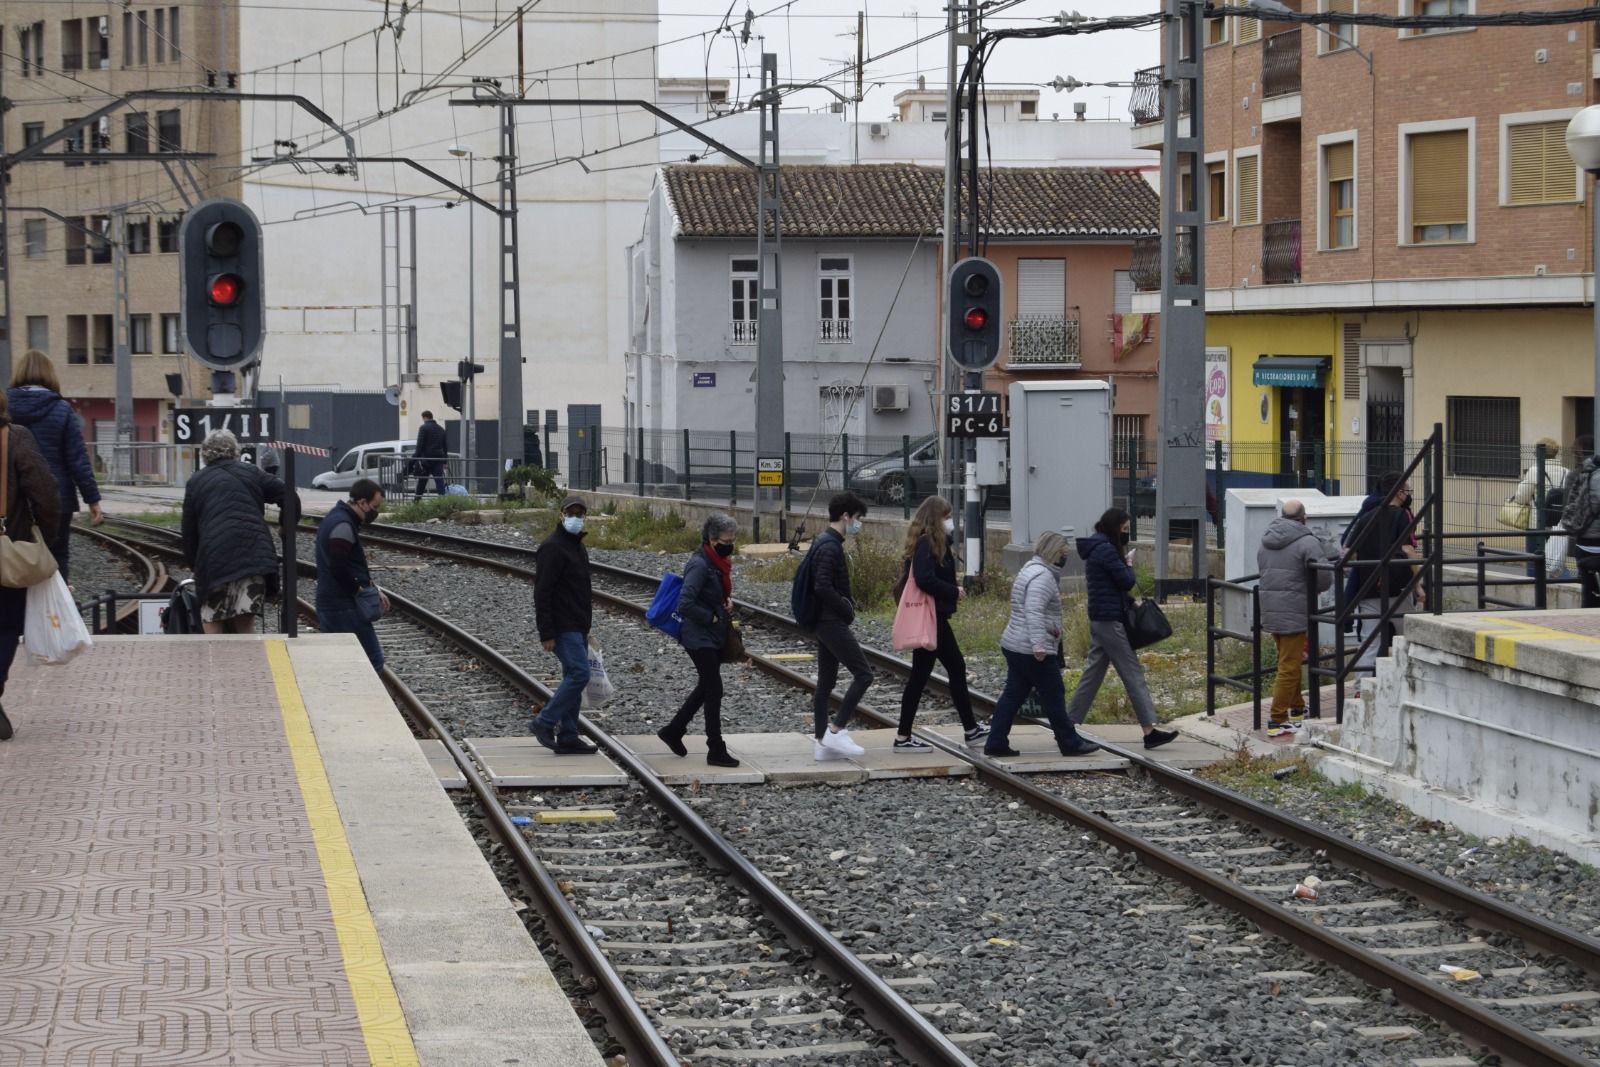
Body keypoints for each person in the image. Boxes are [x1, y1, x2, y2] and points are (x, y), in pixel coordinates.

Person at [1064, 508, 1179, 749]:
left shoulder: (1097, 548)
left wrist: (1129, 601)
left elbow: (1108, 587)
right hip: (1109, 621)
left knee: (1093, 675)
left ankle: (1068, 725)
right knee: (1132, 673)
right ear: (1114, 527)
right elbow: (1125, 580)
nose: (1126, 534)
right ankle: (1150, 731)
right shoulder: (1106, 550)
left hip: (1101, 618)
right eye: (1125, 529)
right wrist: (1128, 563)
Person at [984, 530, 1101, 759]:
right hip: (1031, 648)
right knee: (1054, 693)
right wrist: (1039, 644)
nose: (1064, 557)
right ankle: (1069, 742)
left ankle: (995, 741)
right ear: (1054, 552)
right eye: (1063, 553)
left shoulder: (1029, 569)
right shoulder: (1043, 578)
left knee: (1013, 694)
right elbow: (1034, 611)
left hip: (1015, 644)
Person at [895, 496, 986, 748]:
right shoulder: (926, 543)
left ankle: (969, 729)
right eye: (946, 517)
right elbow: (924, 579)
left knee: (939, 672)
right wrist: (953, 590)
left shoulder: (928, 542)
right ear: (937, 519)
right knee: (946, 670)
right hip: (931, 617)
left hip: (934, 617)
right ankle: (905, 737)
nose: (950, 522)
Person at [7, 350, 102, 582]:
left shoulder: (4, 407)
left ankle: (16, 611)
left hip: (11, 498)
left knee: (11, 554)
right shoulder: (61, 409)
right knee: (58, 555)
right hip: (58, 498)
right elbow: (77, 459)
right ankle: (55, 613)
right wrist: (92, 499)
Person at [180, 429, 286, 635]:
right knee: (245, 621)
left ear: (205, 454)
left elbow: (189, 532)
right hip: (252, 556)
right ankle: (247, 664)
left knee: (211, 618)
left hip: (214, 560)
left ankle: (215, 663)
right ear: (235, 451)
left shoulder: (196, 481)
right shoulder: (252, 472)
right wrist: (285, 527)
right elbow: (288, 493)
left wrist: (195, 564)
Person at [0, 392, 62, 741]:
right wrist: (45, 537)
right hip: (8, 552)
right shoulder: (14, 437)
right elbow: (45, 491)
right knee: (6, 626)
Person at [657, 513, 741, 768]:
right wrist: (712, 618)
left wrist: (725, 604)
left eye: (733, 539)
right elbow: (685, 603)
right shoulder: (700, 564)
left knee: (706, 686)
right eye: (727, 540)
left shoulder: (717, 562)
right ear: (712, 540)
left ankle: (673, 730)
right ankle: (715, 748)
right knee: (714, 689)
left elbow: (711, 595)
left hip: (710, 634)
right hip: (698, 635)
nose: (731, 545)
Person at [1256, 499, 1332, 738]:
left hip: (1270, 608)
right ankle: (1277, 719)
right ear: (1304, 518)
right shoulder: (1308, 542)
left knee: (1290, 659)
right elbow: (1323, 578)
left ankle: (1297, 709)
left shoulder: (1266, 539)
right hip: (1295, 609)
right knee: (1289, 666)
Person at [533, 496, 599, 755]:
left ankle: (569, 735)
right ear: (561, 515)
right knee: (579, 674)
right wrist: (546, 632)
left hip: (578, 624)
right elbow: (542, 592)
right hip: (563, 625)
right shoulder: (553, 547)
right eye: (571, 513)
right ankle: (544, 721)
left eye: (580, 514)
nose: (576, 518)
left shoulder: (577, 546)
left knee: (573, 676)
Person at [810, 491, 874, 761]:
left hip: (823, 620)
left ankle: (822, 743)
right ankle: (836, 731)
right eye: (857, 518)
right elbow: (822, 585)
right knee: (864, 674)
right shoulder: (830, 546)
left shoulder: (824, 541)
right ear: (845, 516)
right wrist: (845, 607)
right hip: (830, 621)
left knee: (826, 682)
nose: (858, 524)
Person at [1348, 473, 1422, 668]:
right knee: (1407, 635)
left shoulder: (1366, 517)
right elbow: (1408, 549)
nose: (1408, 495)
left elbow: (1350, 552)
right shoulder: (1402, 515)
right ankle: (1407, 678)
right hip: (1397, 588)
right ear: (1399, 493)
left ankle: (1360, 687)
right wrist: (1418, 585)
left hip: (1368, 588)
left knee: (1370, 641)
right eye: (1407, 491)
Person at [314, 478, 389, 670]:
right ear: (362, 503)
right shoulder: (343, 525)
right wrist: (359, 591)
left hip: (332, 601)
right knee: (372, 661)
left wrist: (373, 588)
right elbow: (339, 567)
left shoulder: (337, 518)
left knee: (339, 662)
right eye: (374, 506)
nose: (375, 512)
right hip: (343, 605)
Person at [413, 410, 448, 500]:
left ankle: (416, 501)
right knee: (439, 481)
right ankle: (443, 501)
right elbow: (445, 447)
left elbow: (419, 445)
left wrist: (416, 458)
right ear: (431, 417)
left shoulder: (423, 428)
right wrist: (445, 461)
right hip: (438, 460)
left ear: (424, 418)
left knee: (422, 481)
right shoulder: (441, 429)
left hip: (426, 460)